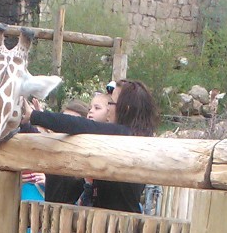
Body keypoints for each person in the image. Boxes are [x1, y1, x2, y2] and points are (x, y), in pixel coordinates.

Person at [27, 78, 159, 214]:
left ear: (126, 108)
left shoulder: (124, 135)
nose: (108, 109)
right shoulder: (134, 134)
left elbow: (78, 124)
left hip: (117, 226)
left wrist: (33, 115)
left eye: (111, 103)